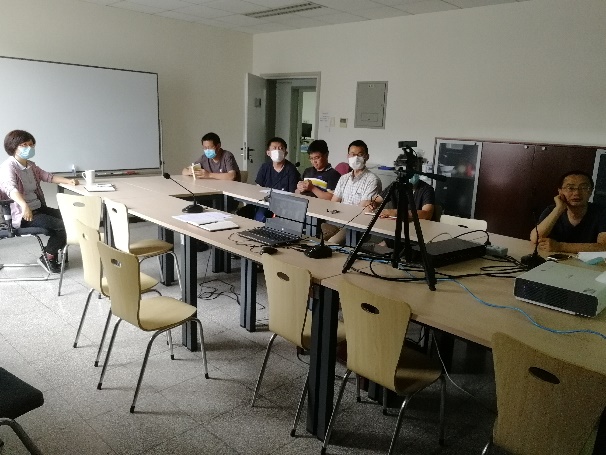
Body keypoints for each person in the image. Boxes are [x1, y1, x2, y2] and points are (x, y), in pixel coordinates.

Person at [0, 130, 79, 273]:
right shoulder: (8, 167)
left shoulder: (30, 165)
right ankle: (48, 257)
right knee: (62, 226)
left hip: (38, 208)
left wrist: (69, 181)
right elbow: (10, 189)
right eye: (24, 145)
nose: (29, 148)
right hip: (22, 214)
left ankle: (52, 252)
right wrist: (24, 206)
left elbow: (48, 177)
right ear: (13, 147)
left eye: (31, 145)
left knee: (71, 219)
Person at [530, 170, 606, 253]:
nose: (577, 193)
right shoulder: (552, 210)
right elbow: (535, 238)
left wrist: (560, 246)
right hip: (553, 260)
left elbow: (604, 246)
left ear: (591, 191)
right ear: (560, 191)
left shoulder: (602, 212)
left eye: (583, 188)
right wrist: (558, 209)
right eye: (570, 188)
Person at [322, 140, 382, 244]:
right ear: (348, 156)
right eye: (353, 154)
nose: (356, 158)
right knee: (316, 236)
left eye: (360, 154)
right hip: (338, 220)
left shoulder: (372, 180)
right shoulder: (344, 178)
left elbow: (362, 210)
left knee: (332, 242)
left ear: (366, 157)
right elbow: (334, 203)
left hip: (357, 225)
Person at [373, 155, 435, 221]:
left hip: (418, 225)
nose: (408, 175)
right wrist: (372, 204)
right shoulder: (395, 186)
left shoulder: (426, 189)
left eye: (412, 171)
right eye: (405, 172)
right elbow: (376, 200)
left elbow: (427, 214)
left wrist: (398, 213)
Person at [254, 137, 301, 222]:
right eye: (274, 148)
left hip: (284, 206)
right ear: (268, 153)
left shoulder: (291, 169)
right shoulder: (265, 167)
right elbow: (258, 187)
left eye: (281, 148)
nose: (277, 151)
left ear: (285, 153)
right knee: (259, 217)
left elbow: (293, 193)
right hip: (265, 203)